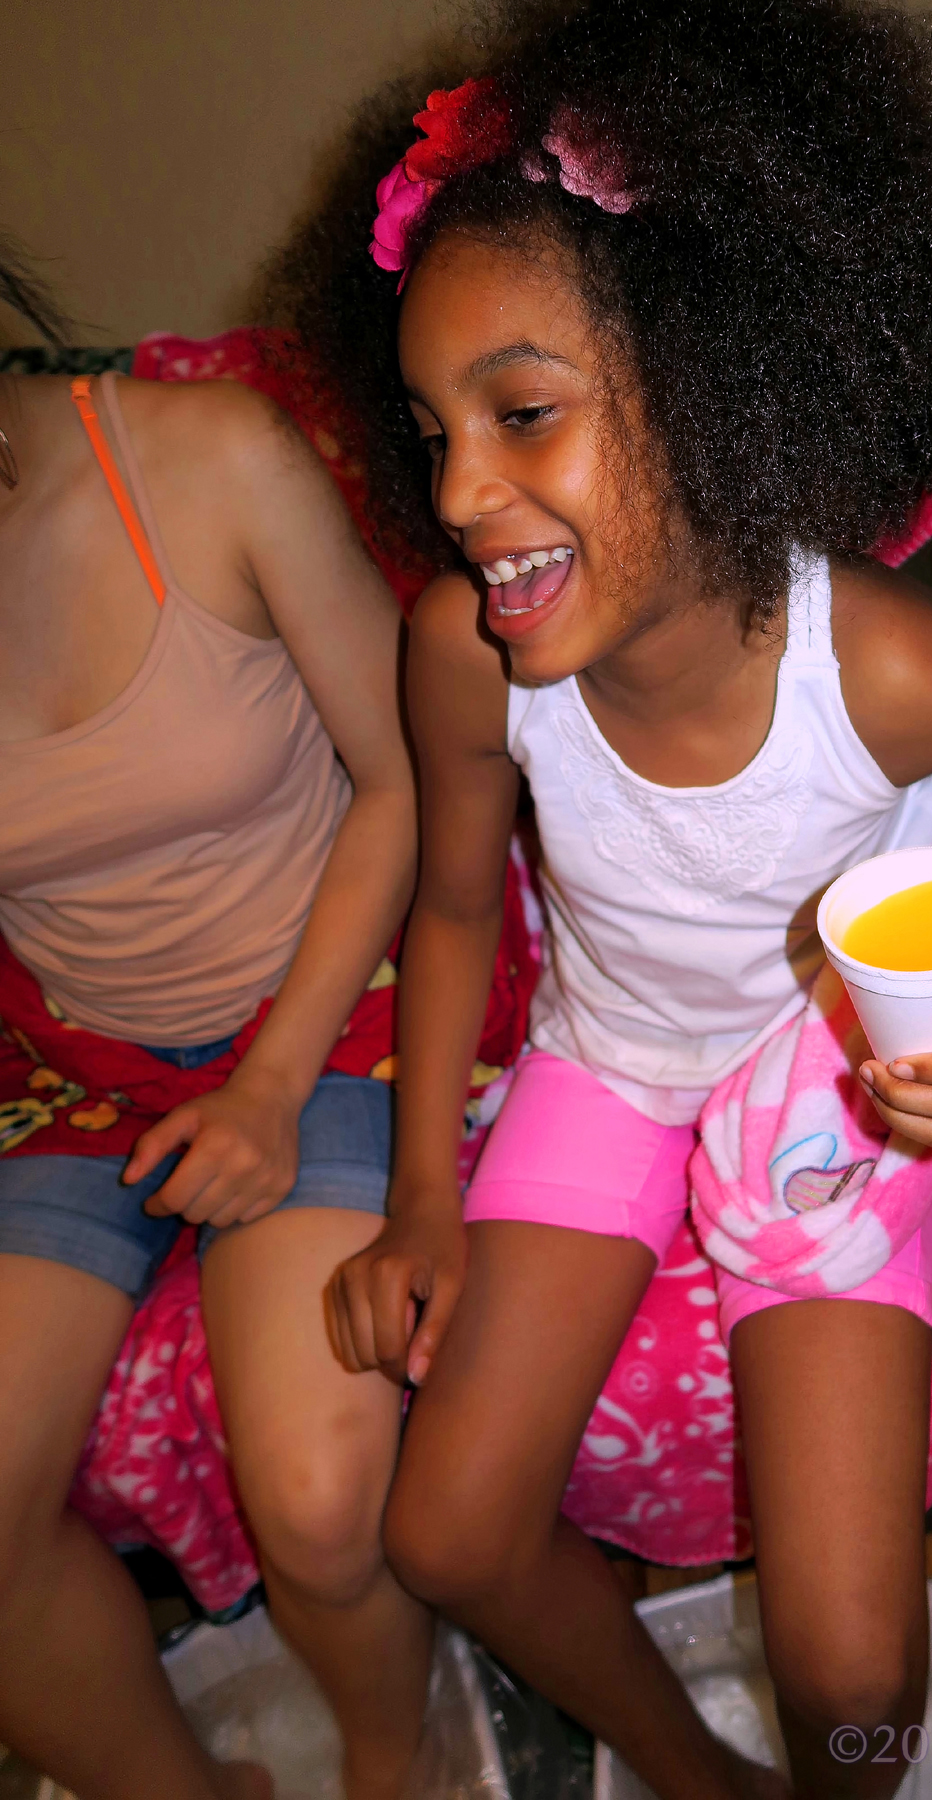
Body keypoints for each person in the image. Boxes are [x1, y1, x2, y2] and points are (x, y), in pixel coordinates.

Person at [302, 2, 932, 1796]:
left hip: (831, 1073)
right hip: (613, 1055)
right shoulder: (467, 658)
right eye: (429, 432)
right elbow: (463, 912)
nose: (462, 499)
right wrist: (419, 1203)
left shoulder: (890, 664)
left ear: (722, 387)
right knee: (450, 1532)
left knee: (851, 1659)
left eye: (524, 414)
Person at [0, 243, 431, 1800]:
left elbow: (408, 779)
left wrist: (269, 1083)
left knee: (318, 1499)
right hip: (64, 1065)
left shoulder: (209, 461)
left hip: (320, 1005)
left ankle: (398, 1758)